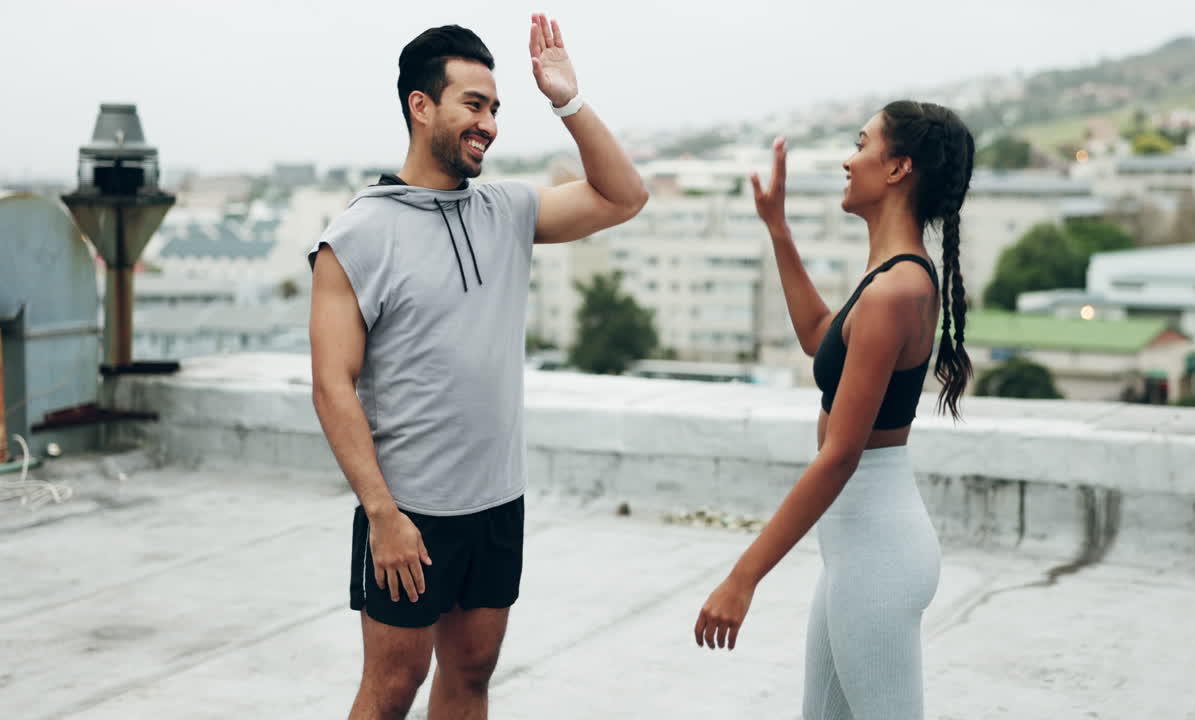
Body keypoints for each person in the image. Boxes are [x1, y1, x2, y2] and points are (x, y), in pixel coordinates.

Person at [308, 16, 647, 720]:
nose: (488, 123)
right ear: (421, 105)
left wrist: (568, 101)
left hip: (496, 501)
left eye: (494, 108)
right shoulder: (358, 233)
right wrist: (382, 513)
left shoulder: (508, 207)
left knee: (471, 673)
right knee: (393, 686)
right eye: (473, 104)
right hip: (410, 510)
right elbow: (330, 386)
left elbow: (624, 197)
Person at [694, 101, 975, 720]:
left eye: (861, 143)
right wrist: (778, 227)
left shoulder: (897, 289)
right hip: (858, 546)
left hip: (878, 550)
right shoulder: (889, 278)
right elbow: (821, 336)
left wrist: (743, 577)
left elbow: (841, 456)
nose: (848, 160)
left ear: (899, 167)